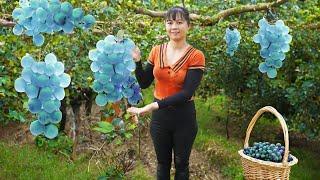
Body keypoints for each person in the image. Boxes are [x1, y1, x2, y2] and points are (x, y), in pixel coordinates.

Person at [127, 6, 205, 180]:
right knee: (162, 164)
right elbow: (145, 82)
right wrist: (138, 62)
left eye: (179, 22)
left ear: (188, 26)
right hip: (160, 120)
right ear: (165, 25)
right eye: (170, 22)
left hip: (183, 118)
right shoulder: (157, 51)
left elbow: (186, 93)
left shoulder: (196, 55)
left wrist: (153, 105)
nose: (174, 27)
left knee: (181, 164)